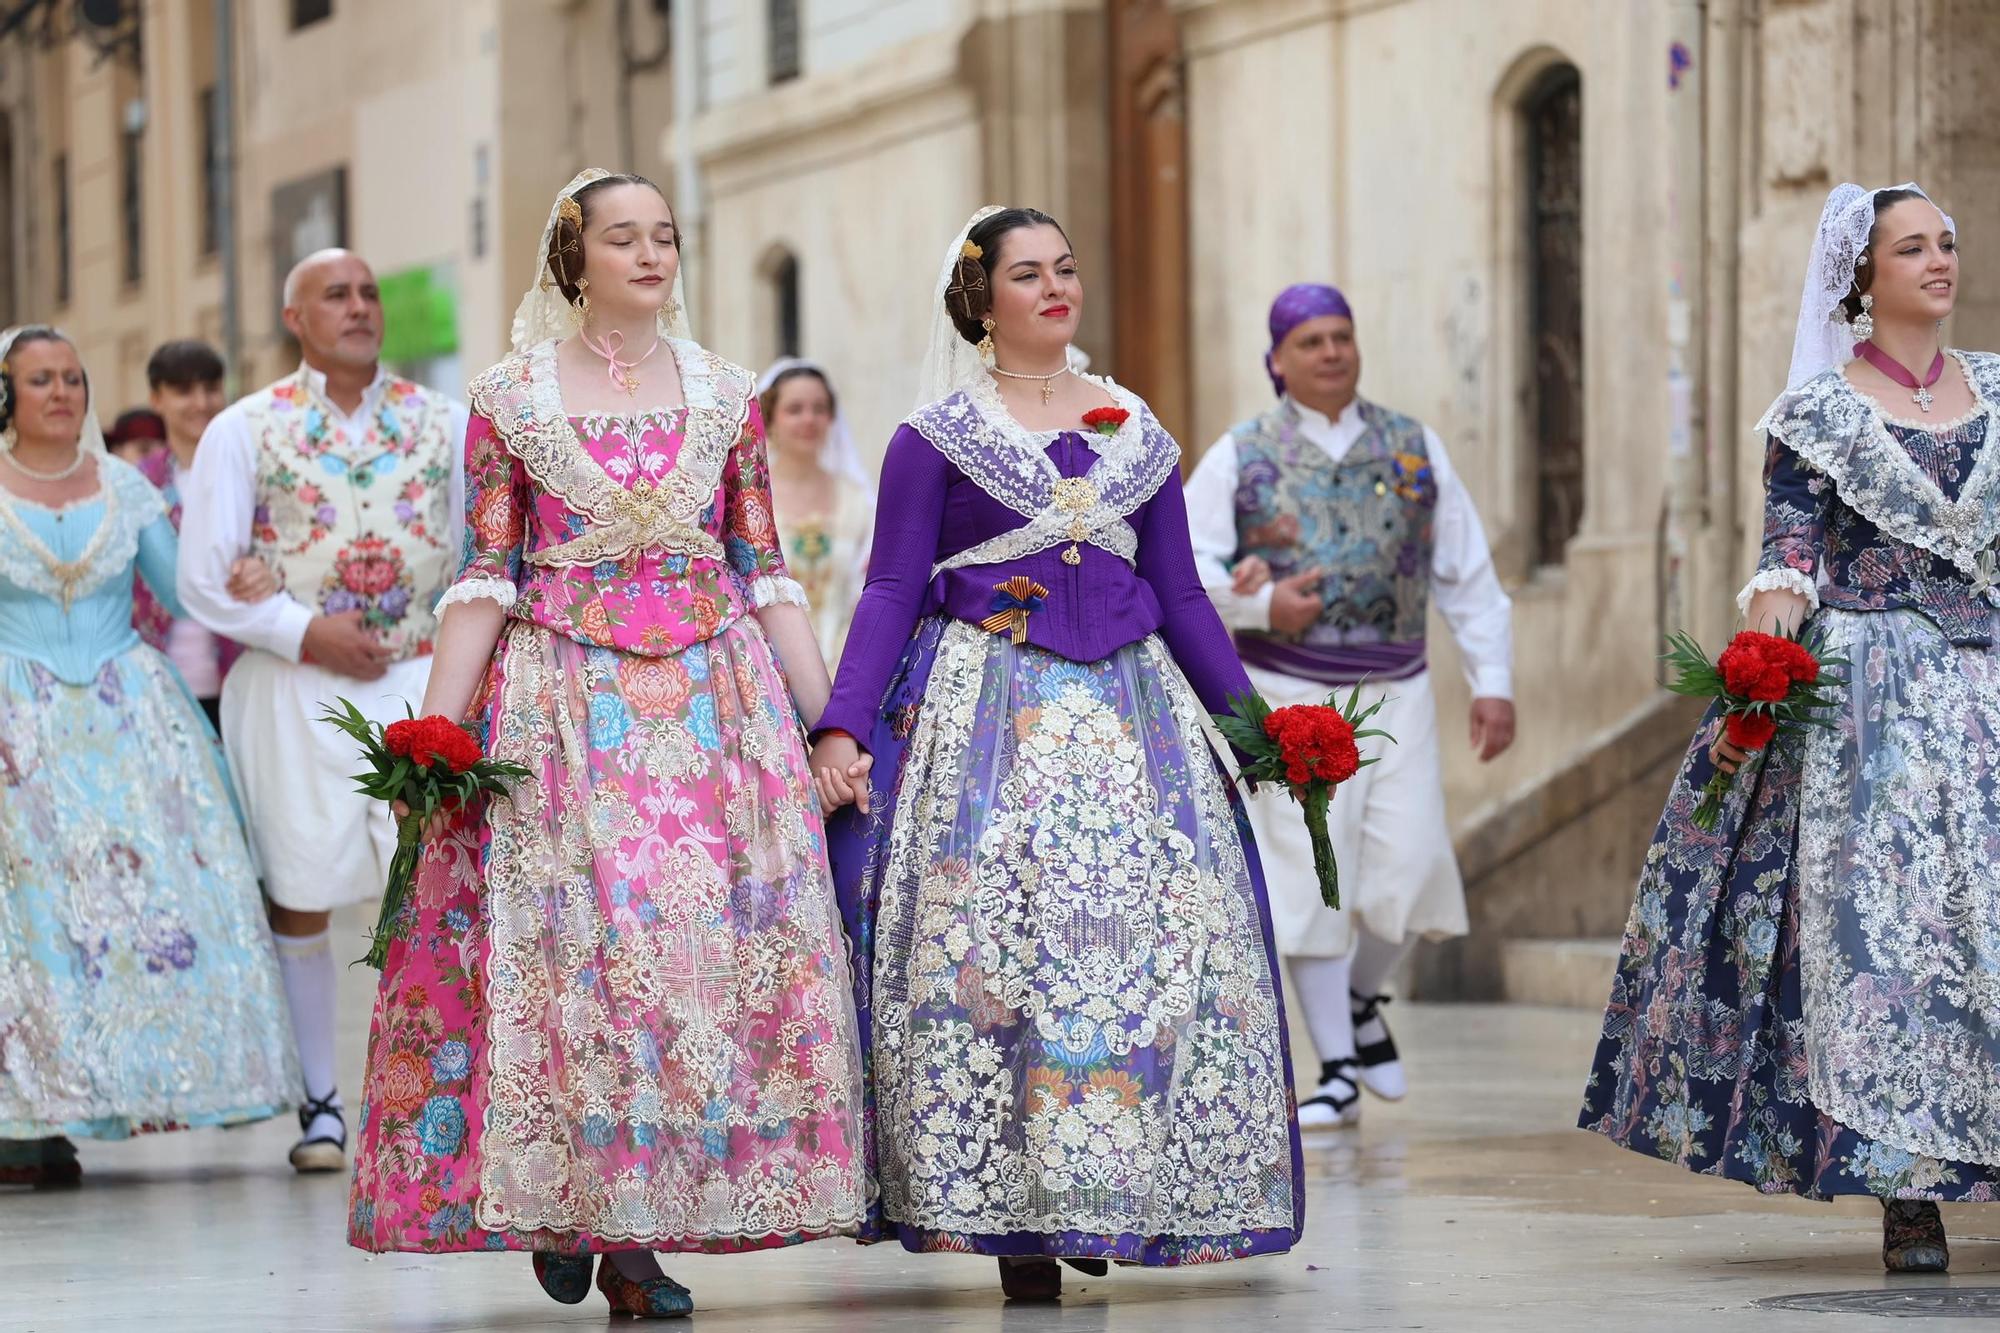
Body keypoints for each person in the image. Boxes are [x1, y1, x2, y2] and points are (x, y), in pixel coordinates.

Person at [344, 169, 866, 1321]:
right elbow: (486, 571)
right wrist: (435, 730)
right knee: (581, 958)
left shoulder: (728, 394)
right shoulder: (506, 398)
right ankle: (598, 1221)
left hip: (715, 700)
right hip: (563, 707)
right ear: (572, 257)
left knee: (693, 957)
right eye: (622, 237)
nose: (649, 253)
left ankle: (631, 1207)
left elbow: (762, 567)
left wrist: (833, 720)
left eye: (664, 235)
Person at [811, 206, 1304, 1302]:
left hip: (1133, 719)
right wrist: (840, 723)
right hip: (989, 717)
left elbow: (1179, 593)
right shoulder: (931, 437)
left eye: (1064, 268)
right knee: (1002, 949)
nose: (1053, 287)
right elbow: (891, 588)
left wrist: (1252, 724)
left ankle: (1105, 1184)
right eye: (1026, 274)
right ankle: (1020, 1220)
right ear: (979, 302)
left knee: (1137, 943)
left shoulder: (1136, 427)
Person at [1580, 183, 2000, 1275]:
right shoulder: (1816, 415)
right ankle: (1906, 1188)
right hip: (1872, 713)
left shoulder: (1997, 392)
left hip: (1990, 697)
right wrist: (1755, 691)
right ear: (1862, 278)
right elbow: (1788, 564)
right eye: (1911, 248)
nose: (1937, 261)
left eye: (1944, 243)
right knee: (1889, 944)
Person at [1184, 283, 1515, 1129]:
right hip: (1286, 691)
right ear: (1278, 359)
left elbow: (1467, 576)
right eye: (1311, 341)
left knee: (1408, 869)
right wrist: (1263, 606)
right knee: (1308, 876)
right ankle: (1334, 1067)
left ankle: (1365, 996)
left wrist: (1494, 681)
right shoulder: (1242, 455)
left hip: (1395, 688)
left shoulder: (1413, 450)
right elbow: (1185, 576)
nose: (1331, 352)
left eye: (1342, 337)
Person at [178, 249, 468, 1175]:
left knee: (430, 884)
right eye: (336, 295)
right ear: (294, 315)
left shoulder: (446, 423)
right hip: (295, 682)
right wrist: (304, 630)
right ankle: (322, 1102)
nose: (359, 308)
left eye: (369, 293)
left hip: (422, 674)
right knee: (302, 886)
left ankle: (429, 1094)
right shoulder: (245, 429)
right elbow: (203, 580)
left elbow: (477, 557)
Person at [0, 325, 297, 1187]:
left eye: (73, 378)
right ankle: (27, 1117)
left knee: (125, 918)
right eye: (40, 380)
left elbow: (181, 593)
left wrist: (259, 575)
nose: (61, 392)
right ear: (7, 396)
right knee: (33, 923)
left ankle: (114, 1090)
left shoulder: (125, 487)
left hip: (129, 722)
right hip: (17, 724)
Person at [132, 340, 239, 729]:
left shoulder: (249, 473)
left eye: (210, 388)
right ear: (156, 398)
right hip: (159, 677)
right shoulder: (137, 481)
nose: (201, 402)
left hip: (239, 673)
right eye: (184, 390)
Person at [757, 358, 873, 663]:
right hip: (770, 663)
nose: (809, 419)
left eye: (819, 409)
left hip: (846, 660)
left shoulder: (856, 501)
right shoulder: (752, 498)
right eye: (795, 409)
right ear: (769, 419)